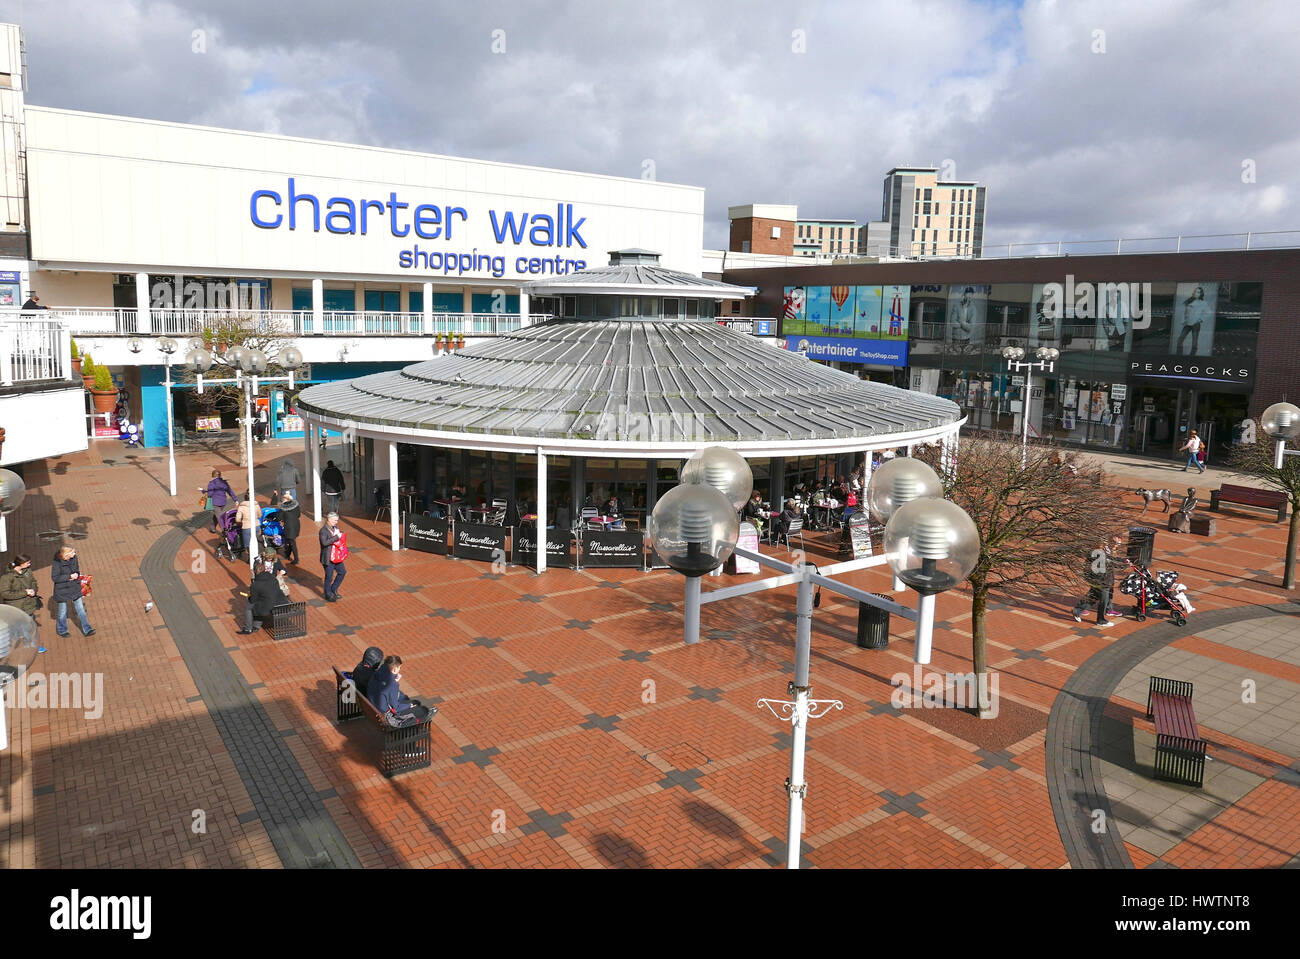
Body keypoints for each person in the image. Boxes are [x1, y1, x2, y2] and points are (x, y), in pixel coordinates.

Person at [368, 655, 436, 724]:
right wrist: (409, 706)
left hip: (374, 706)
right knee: (423, 710)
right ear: (394, 669)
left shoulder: (377, 674)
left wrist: (394, 678)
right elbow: (396, 708)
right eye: (399, 667)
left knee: (413, 702)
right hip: (385, 715)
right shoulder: (392, 684)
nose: (400, 670)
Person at [1072, 535, 1121, 627]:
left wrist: (1114, 548)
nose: (1105, 544)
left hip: (1100, 579)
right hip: (1102, 580)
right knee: (1103, 599)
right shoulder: (1098, 553)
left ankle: (1077, 610)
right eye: (1104, 543)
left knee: (1094, 596)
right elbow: (1110, 563)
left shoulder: (1103, 550)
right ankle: (1101, 620)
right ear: (1099, 544)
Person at [51, 545, 94, 637]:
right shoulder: (57, 562)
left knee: (81, 609)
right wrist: (69, 577)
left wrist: (77, 575)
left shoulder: (74, 558)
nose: (75, 554)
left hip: (74, 587)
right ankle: (62, 630)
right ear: (67, 554)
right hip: (62, 590)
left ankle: (87, 629)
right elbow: (55, 578)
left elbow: (76, 570)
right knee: (62, 611)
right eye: (73, 552)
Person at [237, 558, 283, 634]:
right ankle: (256, 625)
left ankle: (248, 628)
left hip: (268, 607)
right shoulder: (272, 577)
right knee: (263, 602)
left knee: (249, 606)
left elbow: (253, 600)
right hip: (280, 602)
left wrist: (249, 597)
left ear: (255, 571)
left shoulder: (255, 585)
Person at [0, 554, 41, 625]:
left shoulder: (27, 571)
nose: (29, 564)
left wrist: (34, 590)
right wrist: (25, 592)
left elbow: (33, 581)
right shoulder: (6, 577)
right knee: (17, 629)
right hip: (16, 608)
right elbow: (5, 594)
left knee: (29, 627)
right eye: (28, 563)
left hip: (29, 606)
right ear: (21, 564)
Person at [319, 511, 347, 602]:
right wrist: (336, 537)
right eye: (335, 520)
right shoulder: (323, 531)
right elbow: (324, 543)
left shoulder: (334, 527)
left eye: (337, 520)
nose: (336, 522)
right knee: (329, 576)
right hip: (328, 558)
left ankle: (333, 589)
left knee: (342, 572)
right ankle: (328, 594)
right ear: (329, 519)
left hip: (336, 556)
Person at [278, 491, 301, 564]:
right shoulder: (296, 505)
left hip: (289, 526)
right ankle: (287, 554)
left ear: (285, 499)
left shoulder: (283, 507)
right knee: (291, 540)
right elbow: (298, 515)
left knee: (292, 542)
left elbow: (279, 518)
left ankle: (296, 559)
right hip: (296, 525)